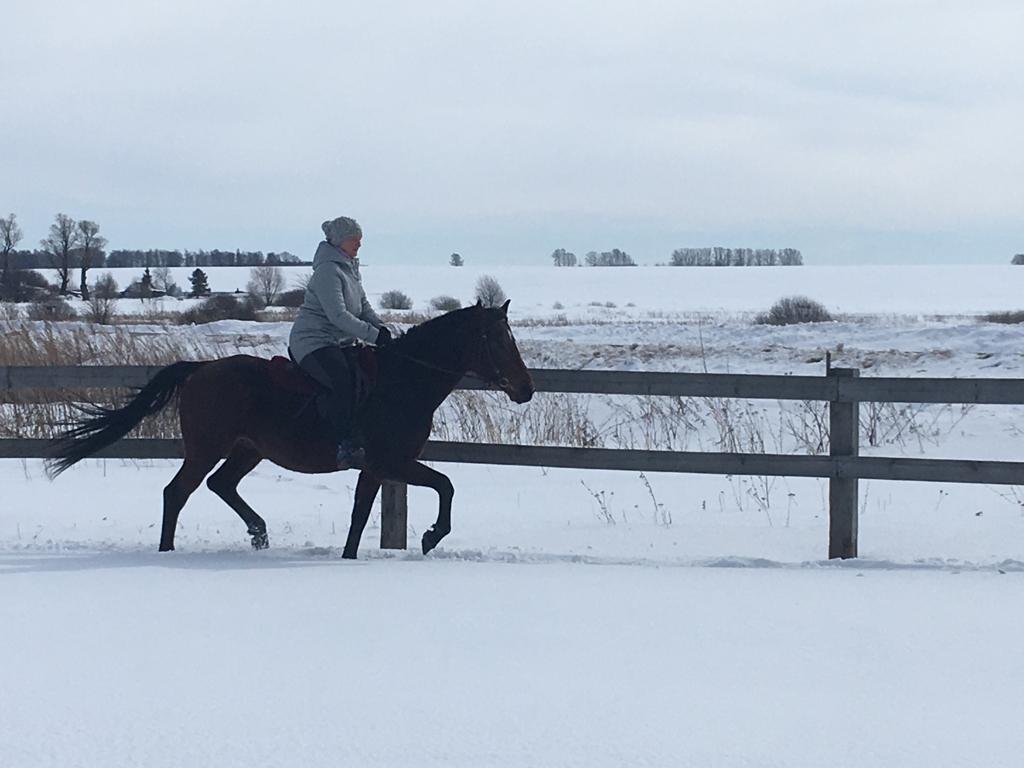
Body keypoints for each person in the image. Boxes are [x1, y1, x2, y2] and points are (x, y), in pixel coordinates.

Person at [288, 216, 392, 468]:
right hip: (313, 341)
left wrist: (383, 330)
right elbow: (338, 316)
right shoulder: (328, 271)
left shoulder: (350, 270)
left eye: (360, 239)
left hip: (340, 342)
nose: (359, 244)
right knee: (342, 381)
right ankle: (344, 444)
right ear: (339, 241)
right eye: (354, 239)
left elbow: (363, 308)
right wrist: (373, 336)